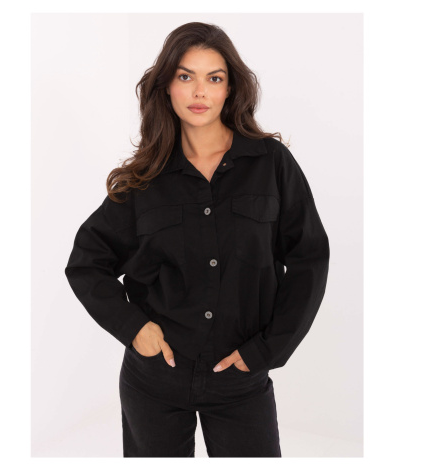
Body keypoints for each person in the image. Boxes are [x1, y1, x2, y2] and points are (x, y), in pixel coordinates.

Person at [64, 22, 330, 458]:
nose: (200, 91)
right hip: (154, 380)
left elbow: (309, 259)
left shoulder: (270, 164)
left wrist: (267, 349)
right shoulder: (144, 178)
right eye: (186, 76)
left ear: (230, 89)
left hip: (241, 379)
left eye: (214, 78)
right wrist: (134, 328)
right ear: (167, 86)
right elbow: (87, 262)